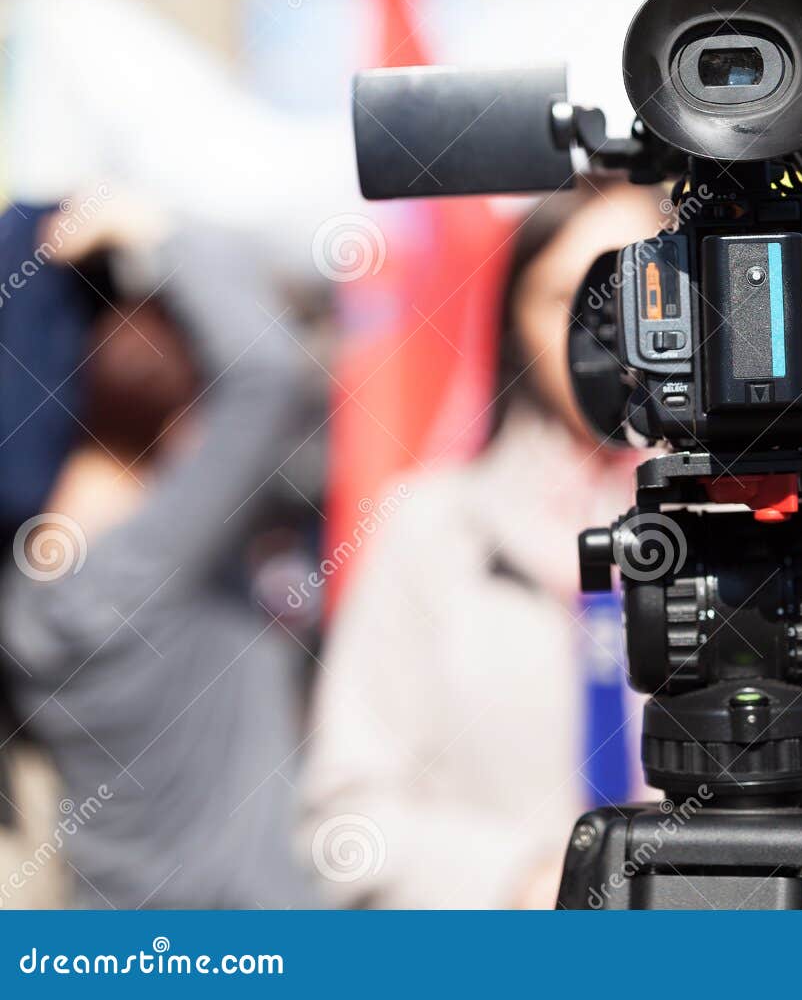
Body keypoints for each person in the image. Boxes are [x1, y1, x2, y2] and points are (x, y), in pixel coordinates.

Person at [299, 188, 658, 908]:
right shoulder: (432, 529)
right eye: (569, 298)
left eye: (642, 292)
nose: (609, 332)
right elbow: (345, 823)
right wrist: (526, 885)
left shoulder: (778, 519)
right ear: (513, 322)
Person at [0, 196, 318, 908]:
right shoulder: (149, 559)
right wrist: (161, 230)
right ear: (180, 419)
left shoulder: (26, 590)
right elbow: (266, 374)